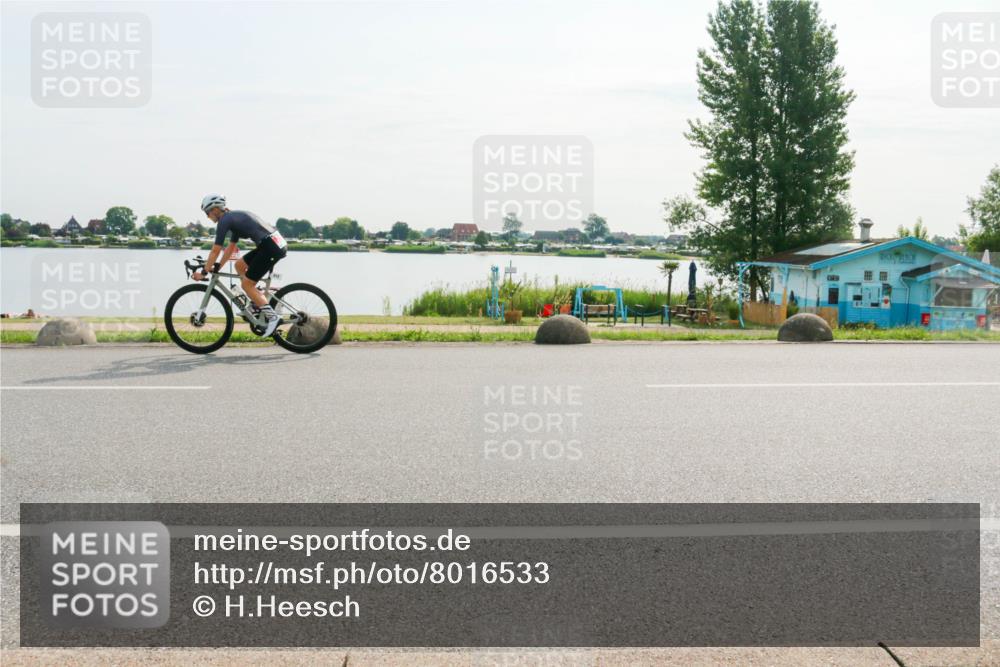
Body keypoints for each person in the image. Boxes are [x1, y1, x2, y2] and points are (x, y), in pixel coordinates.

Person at [193, 194, 288, 336]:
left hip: (270, 246)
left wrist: (205, 272)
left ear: (215, 210)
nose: (208, 217)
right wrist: (218, 266)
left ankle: (273, 317)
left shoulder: (224, 221)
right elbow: (230, 248)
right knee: (239, 265)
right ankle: (258, 301)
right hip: (271, 243)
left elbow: (216, 250)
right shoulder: (232, 218)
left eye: (207, 213)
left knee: (247, 285)